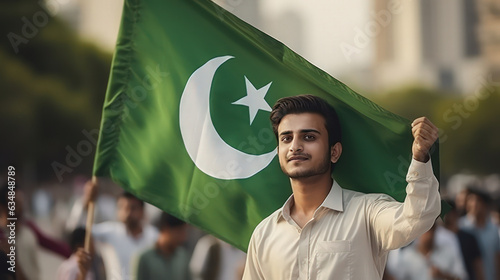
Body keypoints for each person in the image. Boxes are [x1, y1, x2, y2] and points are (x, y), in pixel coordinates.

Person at [242, 95, 441, 279]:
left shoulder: (366, 212)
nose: (295, 146)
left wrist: (420, 157)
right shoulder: (264, 234)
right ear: (278, 152)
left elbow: (416, 218)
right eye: (286, 138)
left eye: (309, 137)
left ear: (334, 152)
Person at [79, 181, 159, 280]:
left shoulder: (154, 236)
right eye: (122, 208)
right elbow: (79, 231)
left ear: (142, 211)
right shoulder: (110, 233)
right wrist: (86, 202)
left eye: (133, 208)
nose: (127, 213)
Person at [133, 212, 191, 280]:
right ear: (166, 228)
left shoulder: (183, 257)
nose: (183, 237)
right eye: (180, 231)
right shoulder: (145, 259)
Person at [397, 223, 465, 280]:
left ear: (435, 229)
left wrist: (443, 275)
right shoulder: (407, 256)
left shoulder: (448, 252)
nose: (428, 234)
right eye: (424, 230)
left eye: (431, 229)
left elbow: (462, 277)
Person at [459, 188, 500, 280]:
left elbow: (497, 257)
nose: (474, 204)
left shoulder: (493, 229)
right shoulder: (461, 226)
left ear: (485, 205)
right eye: (471, 200)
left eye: (478, 201)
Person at [443, 200, 484, 280]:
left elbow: (478, 266)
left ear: (455, 213)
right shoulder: (437, 239)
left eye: (448, 212)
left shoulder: (468, 238)